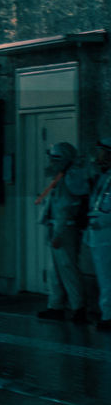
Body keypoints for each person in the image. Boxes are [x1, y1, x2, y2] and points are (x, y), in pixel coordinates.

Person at [35, 141, 91, 321]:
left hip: (64, 227)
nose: (51, 162)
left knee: (67, 268)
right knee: (54, 271)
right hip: (56, 226)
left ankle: (78, 307)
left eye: (55, 158)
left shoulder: (72, 178)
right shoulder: (60, 177)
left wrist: (58, 233)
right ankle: (56, 305)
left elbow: (66, 207)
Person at [86, 137, 111, 332]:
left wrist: (100, 221)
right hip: (99, 236)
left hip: (106, 235)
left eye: (103, 153)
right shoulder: (104, 177)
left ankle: (108, 316)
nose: (99, 158)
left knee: (107, 278)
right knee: (104, 278)